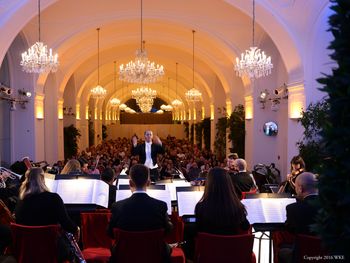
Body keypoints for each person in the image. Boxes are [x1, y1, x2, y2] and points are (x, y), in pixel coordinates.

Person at [107, 164, 173, 262]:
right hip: (154, 257)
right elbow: (168, 231)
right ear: (149, 183)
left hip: (125, 258)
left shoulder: (117, 207)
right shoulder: (161, 206)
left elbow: (110, 233)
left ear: (130, 183)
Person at [15, 167, 80, 262]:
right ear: (42, 179)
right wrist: (76, 228)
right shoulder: (53, 199)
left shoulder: (21, 201)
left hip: (28, 251)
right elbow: (66, 223)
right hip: (51, 250)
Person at [277, 172, 319, 263]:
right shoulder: (331, 207)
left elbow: (291, 229)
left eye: (295, 187)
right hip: (328, 255)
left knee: (282, 250)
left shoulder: (293, 208)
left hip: (302, 256)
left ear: (300, 189)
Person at [195, 167, 250, 235]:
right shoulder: (237, 207)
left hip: (209, 245)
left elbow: (198, 230)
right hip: (231, 245)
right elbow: (245, 227)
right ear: (228, 184)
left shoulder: (200, 207)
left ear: (209, 184)